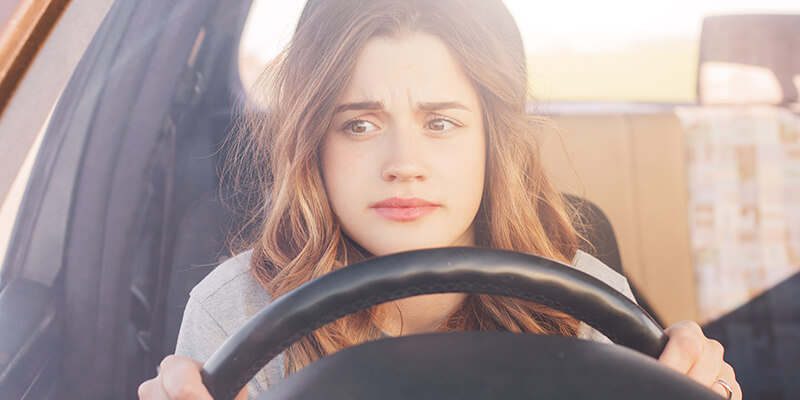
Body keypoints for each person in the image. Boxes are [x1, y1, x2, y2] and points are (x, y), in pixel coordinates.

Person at [138, 0, 741, 399]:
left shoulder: (587, 299)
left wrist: (705, 386)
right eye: (360, 125)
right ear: (314, 145)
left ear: (490, 144)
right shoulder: (237, 311)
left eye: (441, 123)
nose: (404, 164)